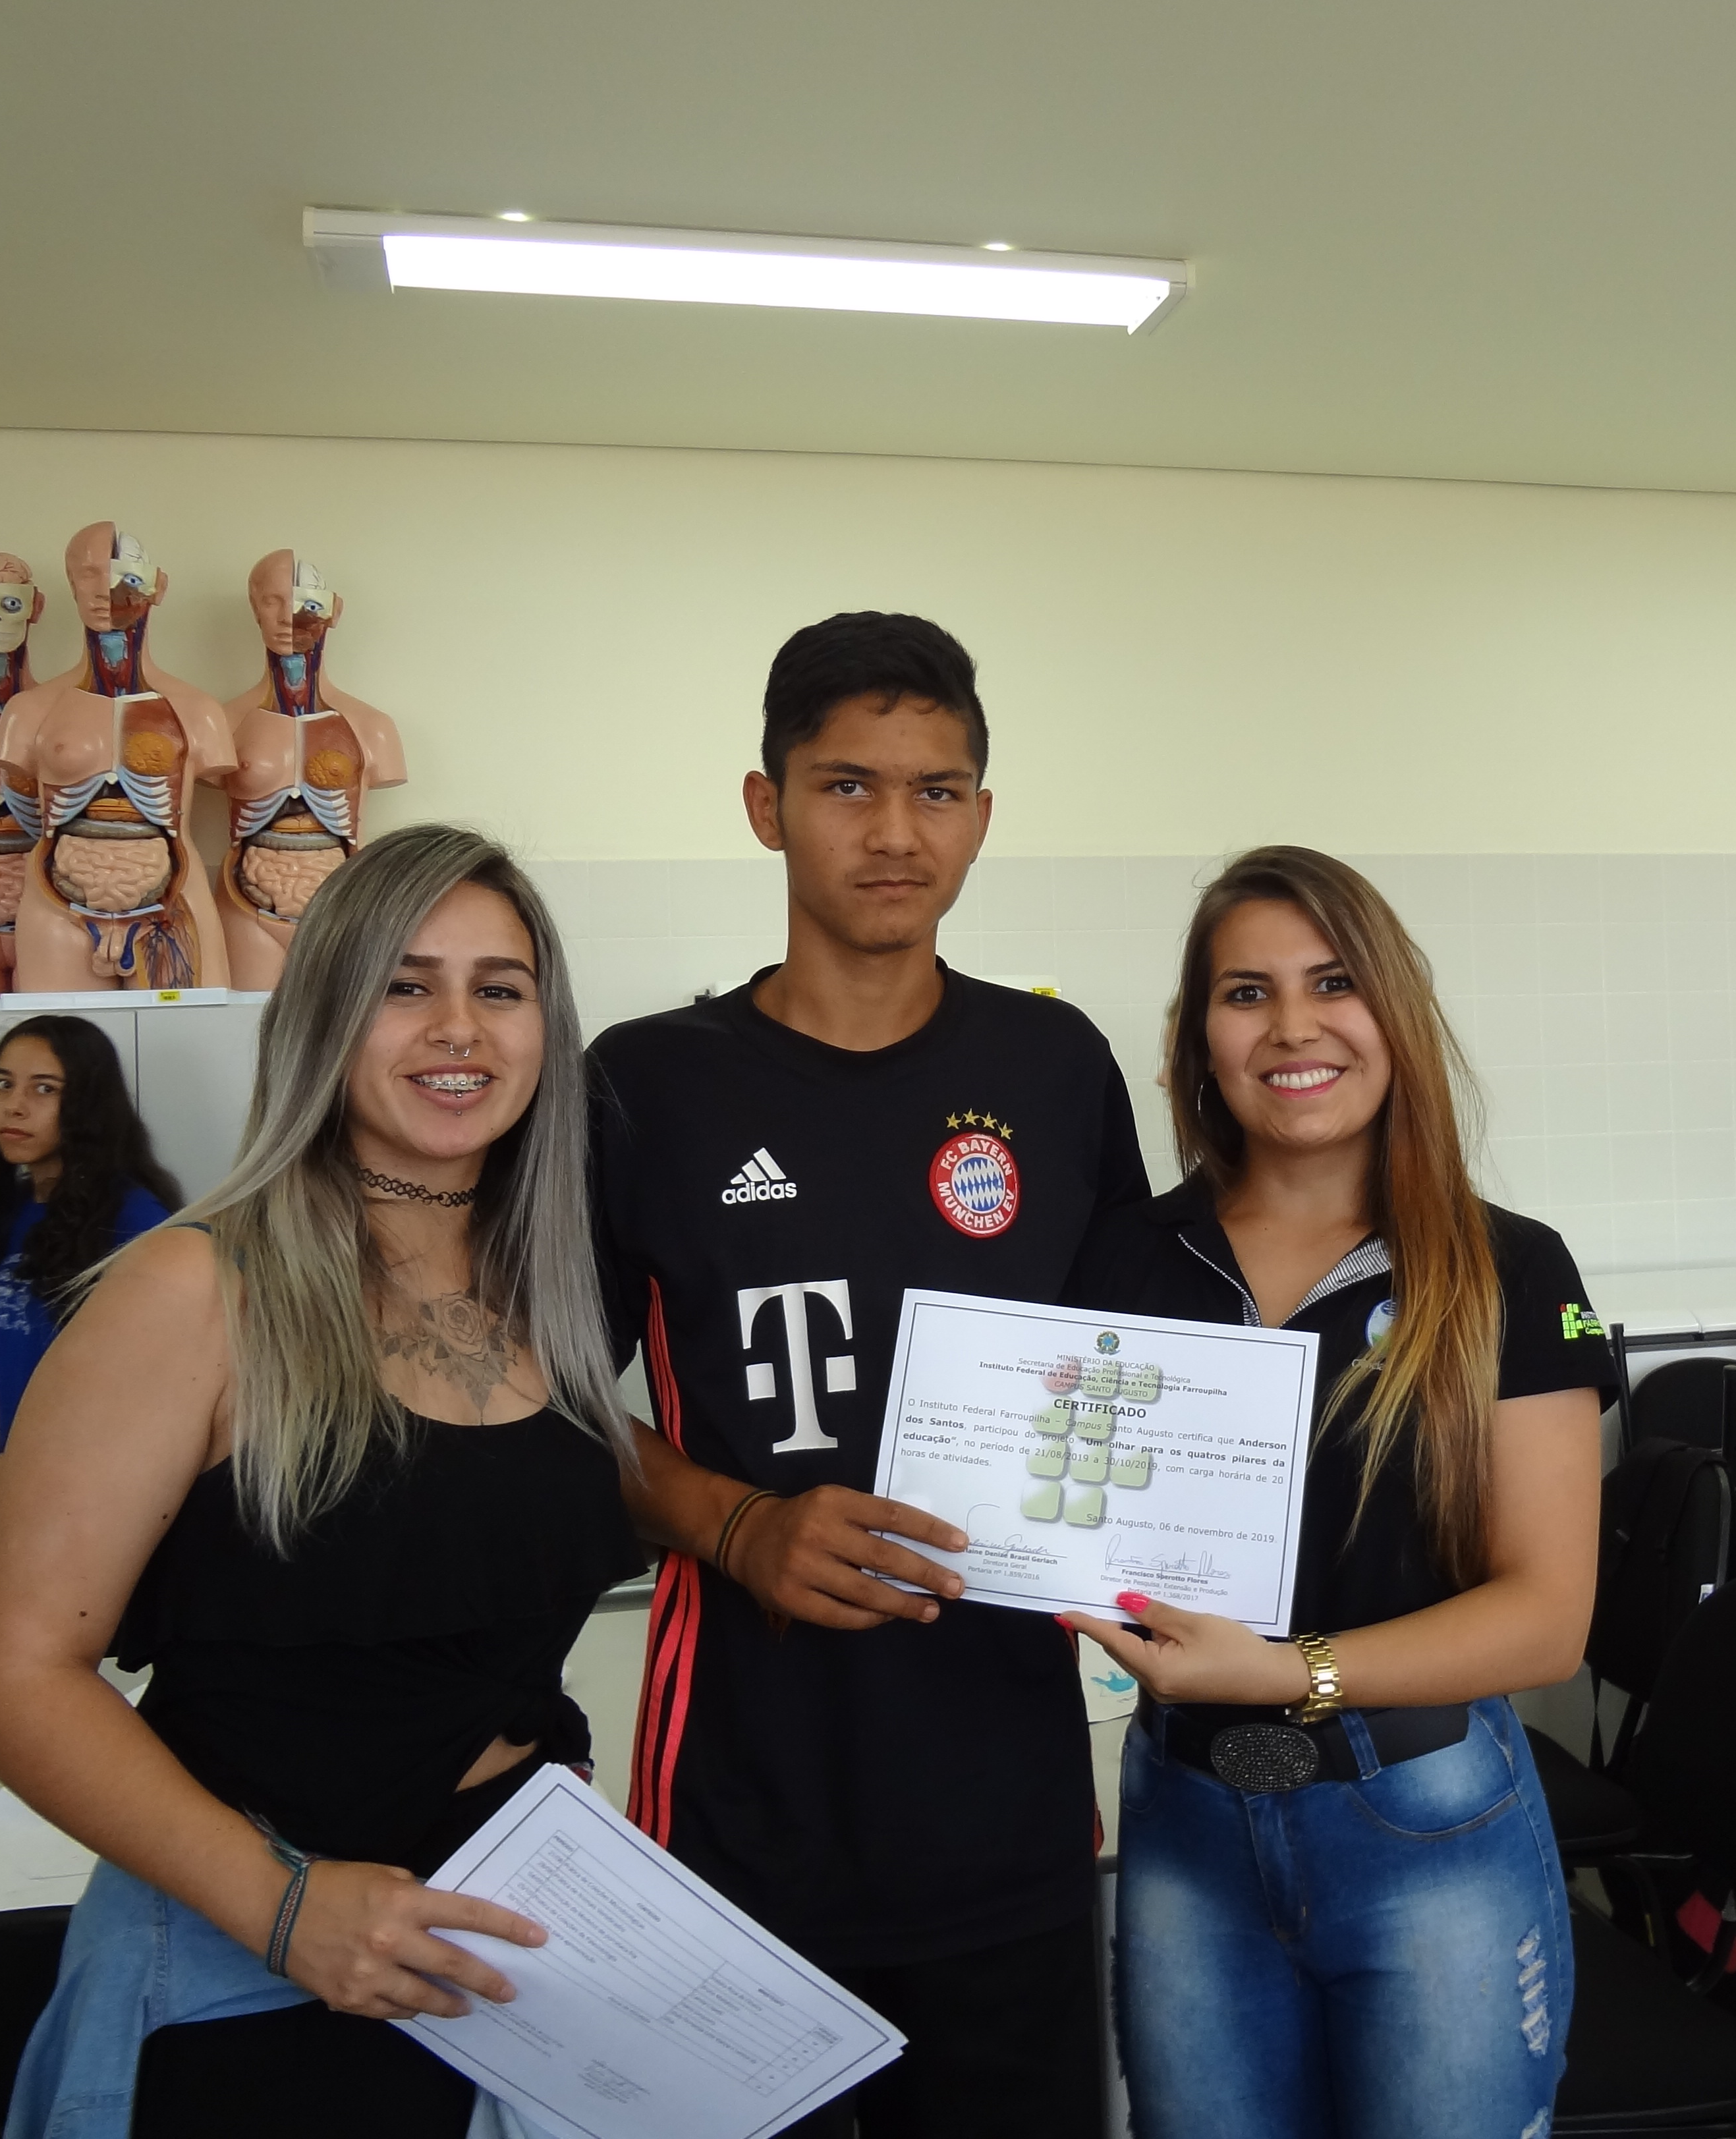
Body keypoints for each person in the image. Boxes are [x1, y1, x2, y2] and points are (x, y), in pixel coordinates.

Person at [0, 825, 647, 2139]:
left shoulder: (540, 1292)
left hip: (497, 1959)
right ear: (327, 1011)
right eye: (404, 984)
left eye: (499, 989)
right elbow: (13, 1674)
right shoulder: (196, 1289)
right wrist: (285, 1907)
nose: (459, 1028)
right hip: (262, 1978)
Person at [586, 612, 1149, 2139]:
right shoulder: (647, 1085)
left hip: (1012, 1808)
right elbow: (531, 1403)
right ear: (765, 804)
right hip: (741, 1804)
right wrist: (736, 1521)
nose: (896, 831)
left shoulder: (1056, 1068)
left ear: (980, 814)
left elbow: (1131, 1379)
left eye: (936, 789)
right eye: (847, 785)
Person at [1063, 845, 1613, 2139]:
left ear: (1394, 1014)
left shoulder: (1506, 1270)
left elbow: (1547, 1619)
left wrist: (1285, 1673)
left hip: (1425, 1822)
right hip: (1185, 1822)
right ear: (1198, 1038)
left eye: (1333, 982)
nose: (1293, 1026)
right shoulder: (1124, 1260)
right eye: (1245, 992)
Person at [0, 1015, 181, 1526]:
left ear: (88, 1105)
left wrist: (29, 1463)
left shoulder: (137, 1225)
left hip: (100, 1497)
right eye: (4, 1084)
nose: (14, 1105)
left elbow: (155, 1389)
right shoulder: (11, 1211)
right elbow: (17, 1360)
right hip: (18, 1485)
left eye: (44, 1089)